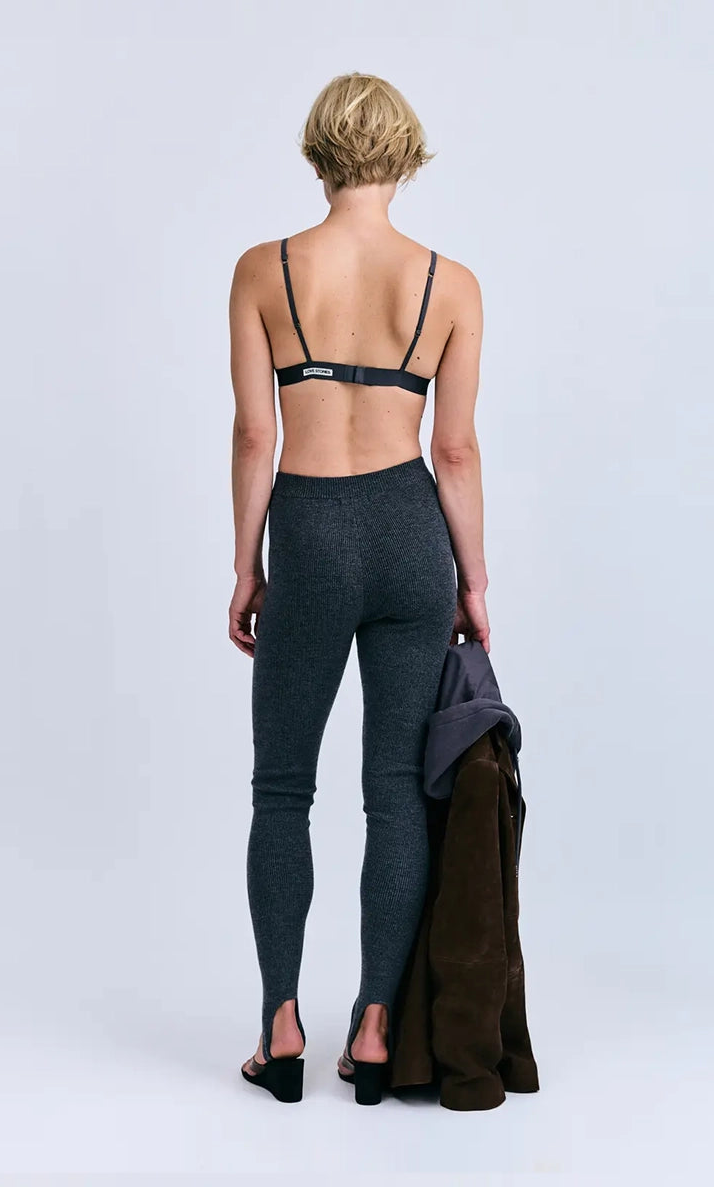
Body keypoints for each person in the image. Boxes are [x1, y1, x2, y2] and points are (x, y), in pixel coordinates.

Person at [228, 71, 490, 1105]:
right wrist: (474, 581)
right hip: (411, 536)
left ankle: (281, 1027)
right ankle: (376, 1031)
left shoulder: (264, 270)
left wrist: (247, 564)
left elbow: (256, 433)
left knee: (282, 789)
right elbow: (455, 451)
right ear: (407, 155)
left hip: (310, 531)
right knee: (394, 792)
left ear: (317, 151)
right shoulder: (451, 284)